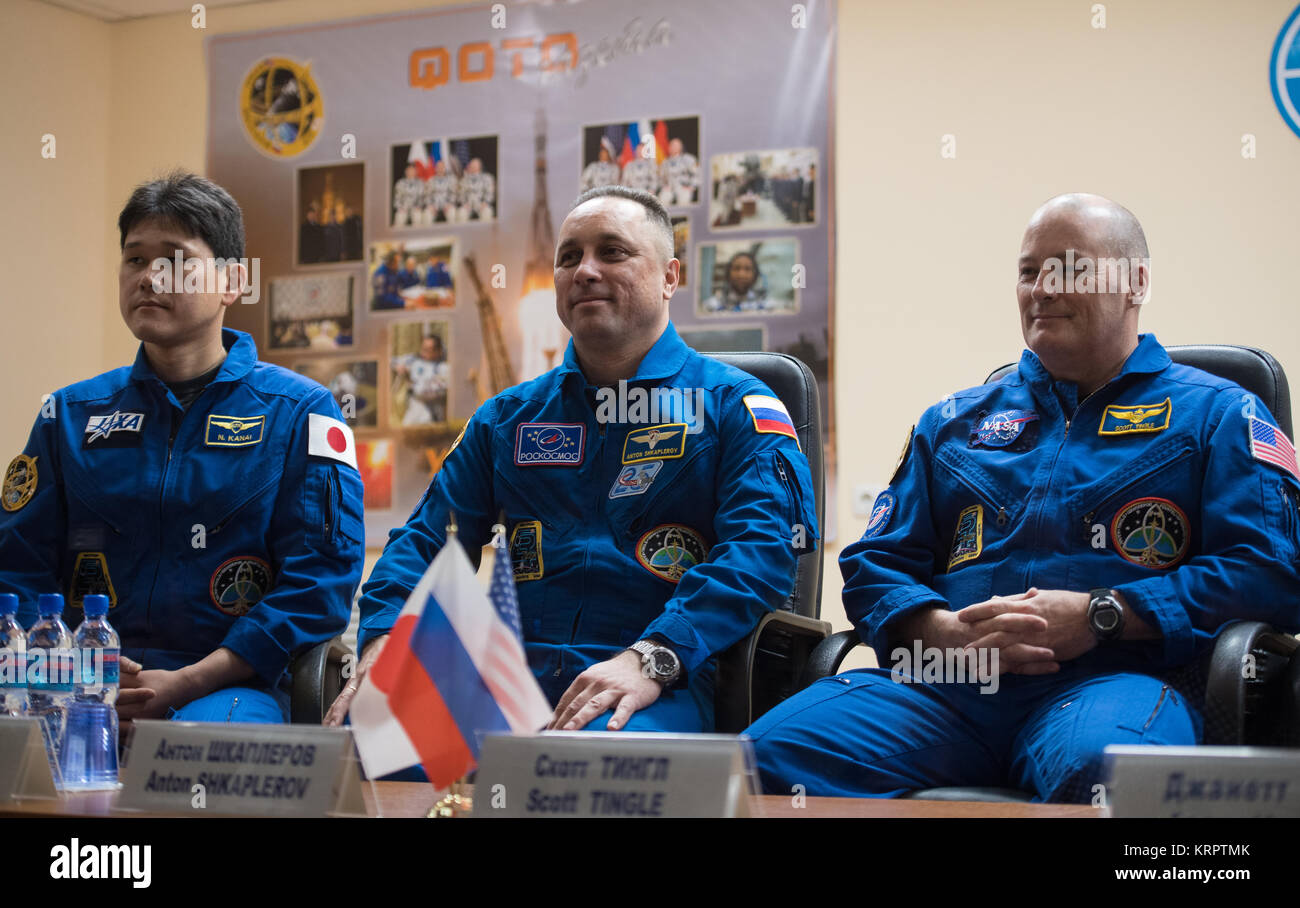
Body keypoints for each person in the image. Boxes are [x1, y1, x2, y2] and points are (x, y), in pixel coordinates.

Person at [745, 193, 1300, 801]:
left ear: (1136, 282)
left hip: (1113, 682)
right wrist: (942, 632)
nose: (1043, 289)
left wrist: (1103, 614)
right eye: (1030, 271)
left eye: (1070, 269)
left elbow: (1271, 573)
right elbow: (874, 565)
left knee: (1108, 777)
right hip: (946, 688)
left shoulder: (1219, 415)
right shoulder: (952, 422)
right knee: (759, 763)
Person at [325, 186, 818, 736]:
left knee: (575, 770)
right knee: (367, 741)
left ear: (670, 277)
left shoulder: (736, 406)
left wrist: (653, 656)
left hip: (660, 679)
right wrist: (386, 638)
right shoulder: (507, 418)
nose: (584, 270)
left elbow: (761, 554)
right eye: (569, 257)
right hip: (508, 679)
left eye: (612, 252)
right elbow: (425, 542)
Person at [0, 171, 364, 724]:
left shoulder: (299, 413)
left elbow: (320, 582)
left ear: (233, 281)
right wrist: (71, 674)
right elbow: (17, 566)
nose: (149, 276)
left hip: (232, 686)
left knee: (212, 750)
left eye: (174, 259)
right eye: (135, 259)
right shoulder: (69, 416)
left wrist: (188, 681)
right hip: (76, 686)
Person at [392, 334, 449, 425]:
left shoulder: (444, 369)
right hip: (413, 412)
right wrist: (398, 367)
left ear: (438, 351)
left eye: (428, 350)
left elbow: (429, 391)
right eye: (423, 348)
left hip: (431, 416)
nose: (423, 352)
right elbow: (390, 361)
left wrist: (412, 384)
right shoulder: (414, 361)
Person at [658, 138, 699, 208]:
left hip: (683, 187)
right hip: (670, 188)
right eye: (672, 145)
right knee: (662, 199)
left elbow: (697, 174)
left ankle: (683, 218)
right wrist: (664, 186)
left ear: (681, 147)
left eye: (676, 145)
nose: (673, 147)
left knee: (684, 200)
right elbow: (661, 177)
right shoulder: (665, 162)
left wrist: (692, 187)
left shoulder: (688, 159)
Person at [457, 158, 495, 222]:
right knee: (461, 213)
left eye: (475, 165)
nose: (472, 167)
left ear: (479, 167)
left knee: (487, 212)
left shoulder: (487, 178)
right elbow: (461, 194)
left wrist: (485, 202)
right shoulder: (464, 180)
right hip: (468, 205)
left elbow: (490, 193)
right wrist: (464, 203)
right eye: (471, 165)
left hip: (481, 204)